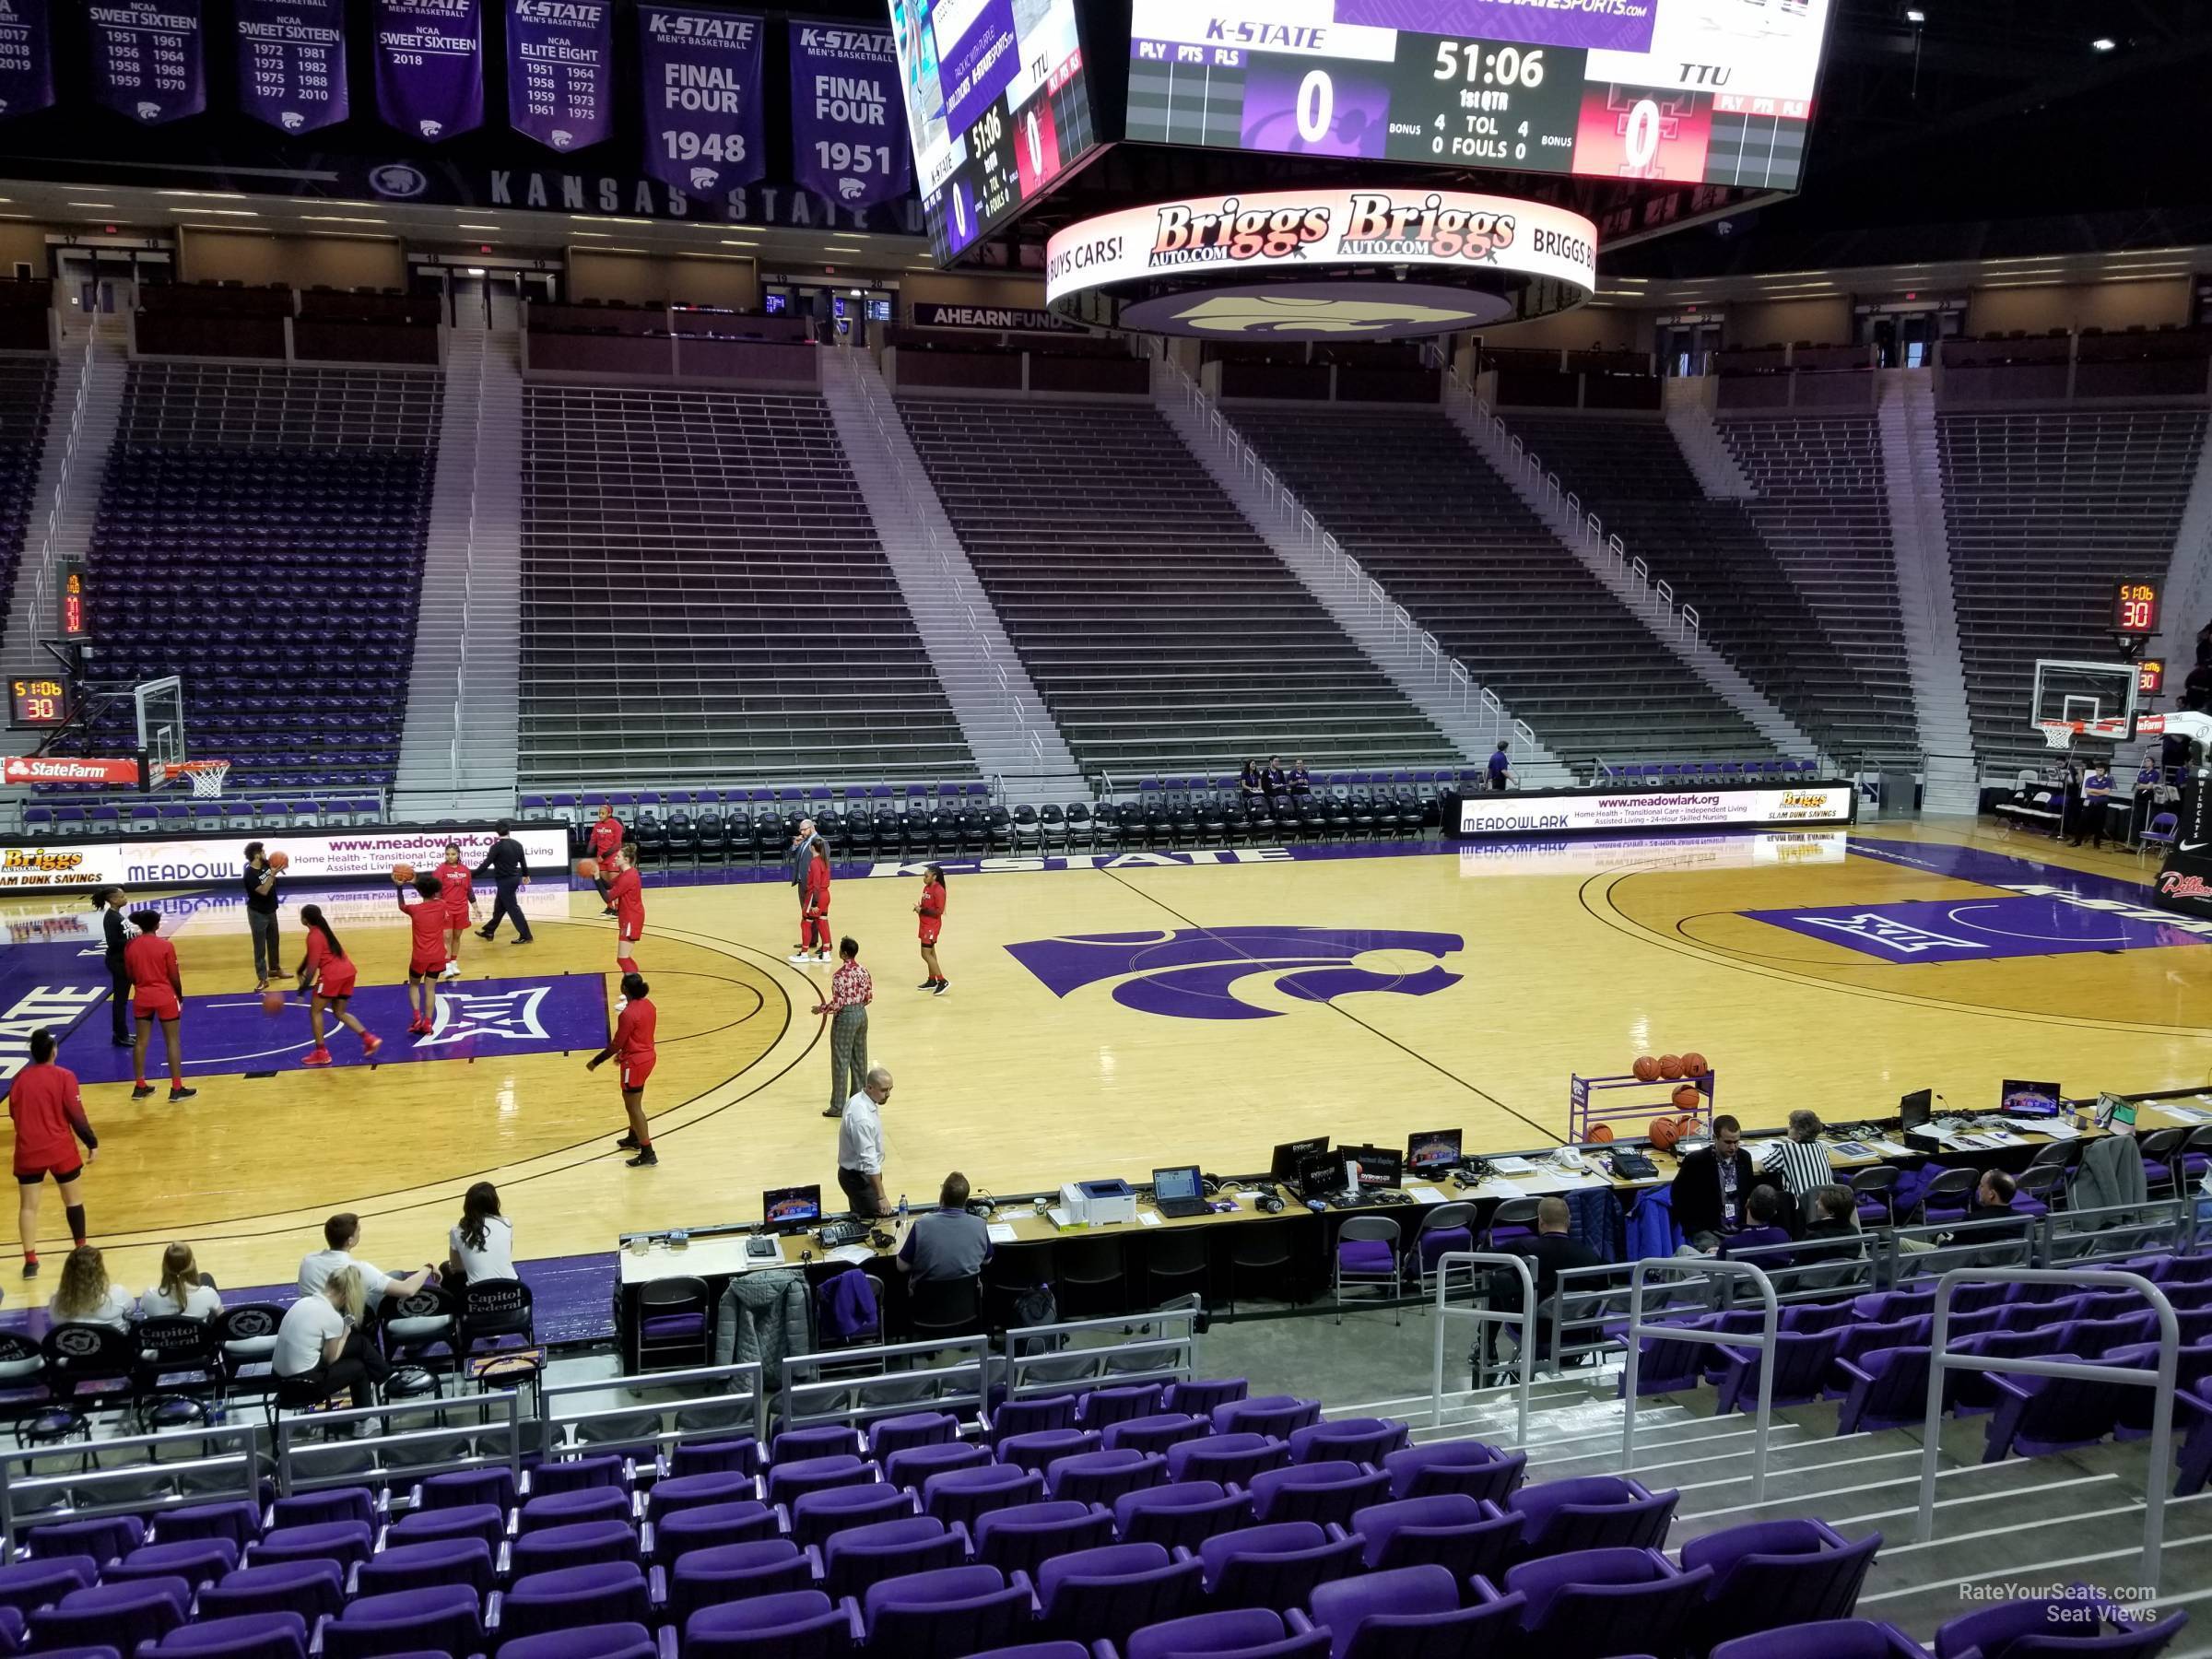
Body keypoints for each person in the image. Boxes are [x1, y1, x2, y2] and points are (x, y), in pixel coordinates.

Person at [7, 1028, 95, 1278]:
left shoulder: (19, 1079)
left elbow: (14, 1112)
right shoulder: (65, 1076)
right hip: (59, 1149)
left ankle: (30, 1262)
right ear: (54, 1051)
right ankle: (81, 1250)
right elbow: (76, 1115)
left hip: (28, 1149)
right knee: (73, 1201)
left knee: (28, 1207)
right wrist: (91, 1142)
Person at [275, 1264, 388, 1408]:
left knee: (360, 1343)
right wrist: (345, 1333)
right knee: (359, 1366)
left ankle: (386, 1376)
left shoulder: (302, 1303)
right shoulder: (331, 1316)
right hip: (303, 1387)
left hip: (279, 1382)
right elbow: (330, 1359)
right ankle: (365, 1419)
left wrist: (343, 1328)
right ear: (346, 1296)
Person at [124, 910, 195, 1102]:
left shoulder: (130, 946)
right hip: (164, 996)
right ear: (156, 925)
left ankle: (140, 1086)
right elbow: (173, 975)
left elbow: (129, 975)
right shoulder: (165, 945)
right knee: (172, 1041)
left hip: (142, 997)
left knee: (140, 1042)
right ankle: (176, 1088)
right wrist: (179, 996)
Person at [295, 904, 381, 1066]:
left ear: (304, 919)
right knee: (340, 1012)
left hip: (332, 976)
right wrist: (300, 970)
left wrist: (301, 991)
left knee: (315, 1012)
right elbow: (312, 955)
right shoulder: (324, 931)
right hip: (348, 972)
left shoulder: (313, 936)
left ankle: (321, 1053)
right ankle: (369, 1039)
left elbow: (313, 966)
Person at [587, 971, 657, 1168]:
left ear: (624, 989)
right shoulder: (649, 1005)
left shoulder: (628, 1014)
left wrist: (596, 1061)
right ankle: (633, 1137)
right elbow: (638, 1035)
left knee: (633, 1107)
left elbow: (616, 1043)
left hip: (634, 1063)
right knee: (636, 1101)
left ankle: (647, 1151)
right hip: (648, 1057)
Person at [299, 1212, 433, 1309]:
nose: (360, 1233)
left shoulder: (308, 1261)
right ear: (350, 1241)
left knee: (393, 1275)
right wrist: (428, 1267)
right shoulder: (357, 1269)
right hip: (348, 1323)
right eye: (358, 1231)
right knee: (399, 1277)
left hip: (313, 1319)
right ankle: (412, 1342)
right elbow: (408, 1289)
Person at [1672, 1114, 1755, 1251]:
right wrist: (1693, 1227)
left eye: (1737, 1142)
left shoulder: (1745, 1158)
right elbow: (1678, 1195)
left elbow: (1749, 1193)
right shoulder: (1696, 1161)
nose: (1733, 1147)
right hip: (1708, 1232)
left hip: (1739, 1230)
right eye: (1728, 1142)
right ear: (1715, 1139)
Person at [897, 1171, 992, 1283]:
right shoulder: (979, 1224)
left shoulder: (922, 1224)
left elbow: (901, 1266)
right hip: (967, 1298)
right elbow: (987, 1260)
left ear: (941, 1196)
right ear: (966, 1200)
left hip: (927, 1298)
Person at [816, 936, 872, 1119]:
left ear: (843, 953)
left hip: (845, 1017)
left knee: (841, 1060)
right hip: (862, 1015)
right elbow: (869, 997)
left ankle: (838, 1106)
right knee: (860, 1059)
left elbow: (838, 1004)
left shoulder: (839, 976)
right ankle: (860, 1101)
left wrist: (821, 1009)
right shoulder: (864, 970)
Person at [836, 1066, 894, 1218]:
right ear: (869, 1087)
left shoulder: (859, 1099)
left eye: (890, 1089)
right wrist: (881, 1197)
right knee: (878, 1218)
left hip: (859, 1174)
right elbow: (868, 1159)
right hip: (858, 1178)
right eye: (884, 1090)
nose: (888, 1094)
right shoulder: (862, 1118)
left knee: (860, 1218)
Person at [395, 873, 448, 1038]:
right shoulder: (442, 905)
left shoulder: (414, 909)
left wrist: (399, 887)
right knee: (431, 990)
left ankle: (417, 1017)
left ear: (420, 892)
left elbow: (401, 905)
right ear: (436, 892)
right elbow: (430, 892)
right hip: (438, 955)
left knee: (414, 985)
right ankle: (428, 1023)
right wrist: (416, 883)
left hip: (420, 956)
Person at [1760, 1109, 1835, 1217]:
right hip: (1827, 1209)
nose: (1787, 1128)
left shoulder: (1787, 1149)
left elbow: (1763, 1166)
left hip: (1801, 1211)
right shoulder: (1820, 1147)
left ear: (1799, 1133)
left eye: (1790, 1126)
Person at [473, 821, 534, 945]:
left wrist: (469, 874)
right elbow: (523, 862)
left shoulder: (496, 847)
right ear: (509, 830)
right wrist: (526, 875)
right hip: (514, 879)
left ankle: (526, 936)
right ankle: (489, 931)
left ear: (496, 831)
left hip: (504, 881)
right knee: (499, 907)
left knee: (513, 908)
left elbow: (485, 865)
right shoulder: (518, 844)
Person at [446, 1182, 516, 1284]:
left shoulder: (456, 1230)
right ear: (494, 1202)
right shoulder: (506, 1223)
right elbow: (506, 1254)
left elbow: (457, 1268)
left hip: (478, 1294)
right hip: (512, 1289)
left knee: (445, 1268)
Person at [50, 1244, 132, 1330]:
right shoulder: (118, 1293)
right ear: (101, 1270)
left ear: (67, 1272)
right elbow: (130, 1312)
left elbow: (56, 1322)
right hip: (116, 1343)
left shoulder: (56, 1300)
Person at [141, 1241, 222, 1320]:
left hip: (163, 1331)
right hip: (198, 1333)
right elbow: (223, 1320)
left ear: (164, 1266)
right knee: (206, 1278)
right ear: (193, 1264)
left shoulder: (149, 1296)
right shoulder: (208, 1294)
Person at [94, 886, 132, 1047]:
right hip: (117, 963)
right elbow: (113, 943)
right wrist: (133, 942)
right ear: (113, 900)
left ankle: (122, 1033)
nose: (125, 898)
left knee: (122, 1000)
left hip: (123, 961)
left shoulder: (117, 915)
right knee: (120, 1001)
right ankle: (120, 1035)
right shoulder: (111, 918)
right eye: (122, 896)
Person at [241, 842, 282, 990]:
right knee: (260, 947)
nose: (265, 853)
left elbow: (280, 867)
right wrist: (272, 874)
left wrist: (281, 865)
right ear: (256, 854)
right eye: (263, 851)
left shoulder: (266, 864)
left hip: (271, 909)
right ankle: (263, 978)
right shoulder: (250, 874)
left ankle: (275, 969)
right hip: (257, 913)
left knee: (274, 941)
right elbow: (264, 890)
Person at [432, 842, 476, 980]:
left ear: (458, 855)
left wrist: (475, 906)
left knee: (457, 937)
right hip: (446, 909)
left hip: (462, 908)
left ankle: (453, 962)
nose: (450, 857)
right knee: (447, 937)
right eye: (447, 854)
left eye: (453, 854)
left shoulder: (465, 870)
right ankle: (446, 966)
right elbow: (436, 891)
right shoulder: (440, 870)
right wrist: (439, 907)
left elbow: (469, 890)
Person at [1719, 1185, 1793, 1260]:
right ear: (1774, 1212)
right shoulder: (1783, 1236)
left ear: (1747, 1203)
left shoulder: (1731, 1245)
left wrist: (1719, 1249)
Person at [605, 845, 644, 978]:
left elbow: (608, 897)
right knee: (624, 958)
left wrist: (596, 878)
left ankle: (635, 988)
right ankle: (633, 986)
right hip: (628, 917)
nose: (615, 858)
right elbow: (611, 884)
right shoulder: (626, 874)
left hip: (631, 919)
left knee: (623, 958)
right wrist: (596, 875)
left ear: (626, 859)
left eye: (618, 856)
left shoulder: (628, 877)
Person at [787, 818, 823, 956]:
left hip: (812, 884)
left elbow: (823, 864)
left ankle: (826, 943)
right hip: (802, 882)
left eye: (804, 830)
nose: (801, 833)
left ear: (811, 828)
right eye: (800, 830)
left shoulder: (820, 841)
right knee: (806, 913)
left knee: (818, 914)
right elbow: (792, 854)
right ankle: (811, 940)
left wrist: (816, 885)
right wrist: (795, 844)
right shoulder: (804, 841)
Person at [795, 841, 832, 965]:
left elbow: (816, 883)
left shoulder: (814, 862)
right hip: (826, 894)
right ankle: (826, 953)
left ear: (812, 848)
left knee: (806, 923)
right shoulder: (825, 861)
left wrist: (815, 903)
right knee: (822, 922)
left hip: (816, 895)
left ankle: (804, 954)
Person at [915, 864, 947, 994]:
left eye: (926, 876)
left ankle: (942, 980)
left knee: (925, 954)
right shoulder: (926, 888)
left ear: (934, 876)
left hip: (931, 926)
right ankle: (932, 980)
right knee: (931, 953)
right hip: (924, 924)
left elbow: (938, 911)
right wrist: (920, 908)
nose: (924, 878)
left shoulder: (939, 890)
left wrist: (921, 910)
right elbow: (926, 906)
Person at [589, 803, 625, 915]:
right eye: (599, 813)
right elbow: (593, 842)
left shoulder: (616, 825)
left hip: (613, 857)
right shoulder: (597, 826)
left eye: (602, 813)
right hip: (601, 859)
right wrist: (588, 856)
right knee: (606, 885)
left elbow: (617, 845)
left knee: (615, 884)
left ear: (609, 814)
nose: (600, 815)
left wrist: (603, 856)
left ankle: (619, 908)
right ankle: (610, 907)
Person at [2071, 759, 2115, 849]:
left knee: (2099, 824)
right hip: (2089, 802)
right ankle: (2077, 841)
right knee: (2082, 822)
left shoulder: (2108, 780)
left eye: (2101, 770)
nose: (2098, 771)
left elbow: (2106, 792)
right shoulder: (2090, 779)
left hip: (2102, 804)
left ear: (2105, 771)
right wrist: (2100, 792)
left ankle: (2096, 843)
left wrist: (2094, 791)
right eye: (2097, 770)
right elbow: (2087, 791)